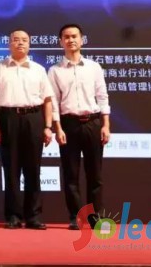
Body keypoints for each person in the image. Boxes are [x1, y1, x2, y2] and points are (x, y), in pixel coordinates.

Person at [0, 29, 55, 230]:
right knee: (11, 170)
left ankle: (33, 216)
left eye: (24, 40)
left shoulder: (38, 69)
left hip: (33, 118)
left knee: (33, 169)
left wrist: (48, 126)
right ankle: (13, 216)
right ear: (9, 44)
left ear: (29, 44)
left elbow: (48, 100)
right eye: (15, 40)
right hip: (7, 119)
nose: (20, 43)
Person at [48, 23, 111, 231]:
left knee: (95, 175)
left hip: (92, 122)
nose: (70, 40)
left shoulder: (94, 67)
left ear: (81, 40)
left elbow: (102, 96)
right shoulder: (55, 70)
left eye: (74, 36)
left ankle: (95, 217)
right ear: (61, 42)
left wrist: (105, 125)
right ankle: (75, 217)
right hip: (68, 124)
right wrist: (58, 128)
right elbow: (54, 102)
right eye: (66, 37)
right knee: (71, 175)